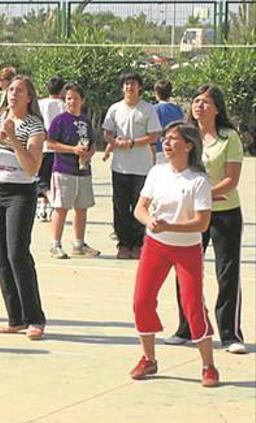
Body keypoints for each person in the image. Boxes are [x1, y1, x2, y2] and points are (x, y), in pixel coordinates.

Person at [130, 122, 218, 387]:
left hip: (187, 249)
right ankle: (149, 358)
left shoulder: (199, 181)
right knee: (141, 301)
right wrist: (149, 221)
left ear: (189, 145)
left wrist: (170, 225)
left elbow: (202, 223)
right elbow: (140, 208)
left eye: (173, 139)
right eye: (165, 139)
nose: (166, 144)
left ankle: (208, 365)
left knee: (192, 305)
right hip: (156, 246)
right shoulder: (157, 172)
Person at [166, 85, 247, 355]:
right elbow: (177, 171)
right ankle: (187, 327)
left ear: (217, 108)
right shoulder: (186, 137)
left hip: (225, 214)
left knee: (227, 271)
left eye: (206, 102)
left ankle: (230, 333)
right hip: (192, 213)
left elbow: (231, 180)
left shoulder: (228, 137)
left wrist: (204, 193)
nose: (199, 106)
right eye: (196, 101)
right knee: (186, 269)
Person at [0, 75, 47, 340]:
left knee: (17, 253)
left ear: (29, 97)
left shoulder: (34, 125)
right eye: (11, 89)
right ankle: (15, 317)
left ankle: (35, 318)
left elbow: (32, 167)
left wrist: (14, 140)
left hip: (20, 193)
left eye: (19, 90)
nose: (13, 94)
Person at [102, 71, 162, 260]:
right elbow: (107, 132)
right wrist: (114, 141)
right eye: (126, 84)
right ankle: (123, 244)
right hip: (120, 166)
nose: (129, 87)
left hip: (142, 167)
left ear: (140, 87)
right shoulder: (115, 109)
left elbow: (154, 135)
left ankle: (138, 243)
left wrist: (134, 143)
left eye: (133, 84)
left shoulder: (148, 109)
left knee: (139, 205)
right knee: (120, 206)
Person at [45, 82, 99, 259]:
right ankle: (55, 244)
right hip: (63, 169)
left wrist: (88, 154)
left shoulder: (85, 121)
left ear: (82, 100)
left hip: (83, 170)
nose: (72, 102)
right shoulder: (59, 120)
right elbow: (50, 143)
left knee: (82, 207)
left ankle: (79, 243)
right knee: (61, 207)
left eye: (75, 98)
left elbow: (92, 143)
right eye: (68, 98)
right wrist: (72, 150)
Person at [36, 75, 66, 222]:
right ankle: (47, 208)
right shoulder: (64, 105)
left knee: (42, 180)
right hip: (59, 148)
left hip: (43, 147)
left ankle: (44, 206)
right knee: (54, 180)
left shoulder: (40, 104)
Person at [152, 79, 185, 164]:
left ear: (156, 93)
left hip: (158, 148)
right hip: (175, 148)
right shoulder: (178, 109)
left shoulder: (153, 109)